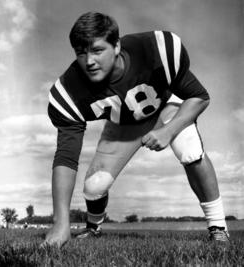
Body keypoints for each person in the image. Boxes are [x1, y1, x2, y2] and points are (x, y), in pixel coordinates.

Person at [44, 11, 229, 247]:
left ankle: (218, 227)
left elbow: (199, 97)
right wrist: (61, 223)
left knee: (190, 151)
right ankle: (93, 228)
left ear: (117, 45)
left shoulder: (156, 50)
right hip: (123, 125)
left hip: (165, 106)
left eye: (98, 50)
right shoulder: (70, 90)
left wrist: (169, 130)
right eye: (81, 53)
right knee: (94, 186)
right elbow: (66, 157)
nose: (89, 61)